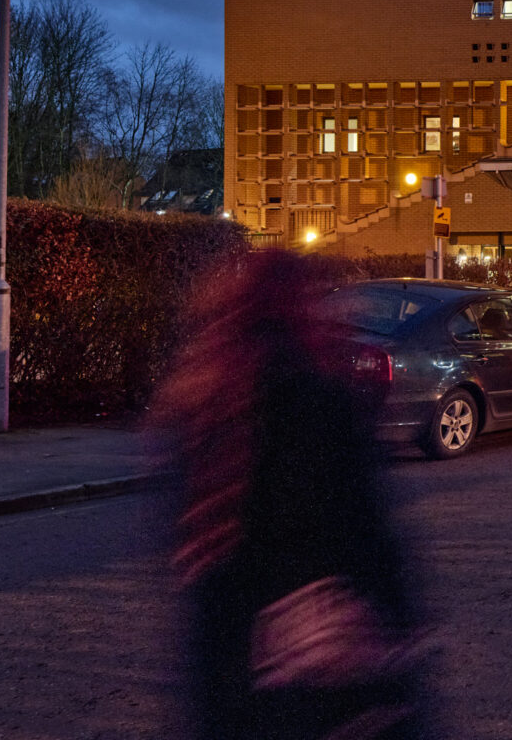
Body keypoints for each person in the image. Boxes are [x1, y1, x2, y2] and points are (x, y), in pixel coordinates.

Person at [157, 250, 427, 740]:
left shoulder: (202, 407)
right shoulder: (320, 398)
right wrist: (402, 629)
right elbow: (371, 537)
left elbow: (192, 554)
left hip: (234, 667)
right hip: (328, 662)